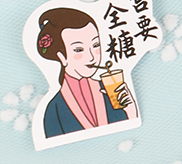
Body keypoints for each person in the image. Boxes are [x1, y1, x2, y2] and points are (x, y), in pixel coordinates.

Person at [36, 7, 136, 138]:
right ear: (62, 57)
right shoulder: (54, 109)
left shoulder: (112, 92)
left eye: (96, 45)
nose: (91, 57)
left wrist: (131, 111)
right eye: (78, 50)